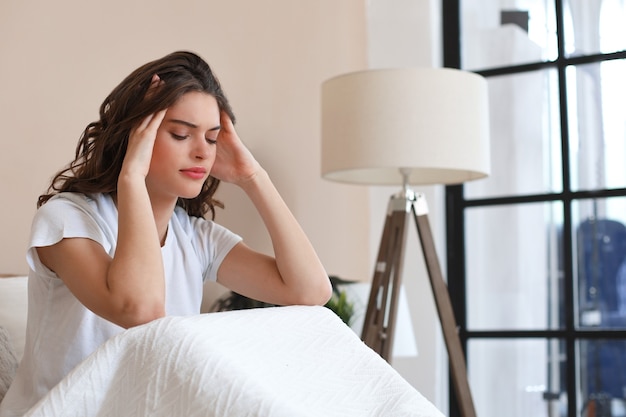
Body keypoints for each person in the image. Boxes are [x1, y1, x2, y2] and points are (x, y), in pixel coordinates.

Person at [0, 50, 331, 415]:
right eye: (180, 134)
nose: (202, 152)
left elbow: (309, 291)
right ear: (135, 135)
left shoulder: (196, 237)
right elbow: (139, 309)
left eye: (211, 138)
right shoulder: (67, 220)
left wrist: (253, 178)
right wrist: (132, 177)